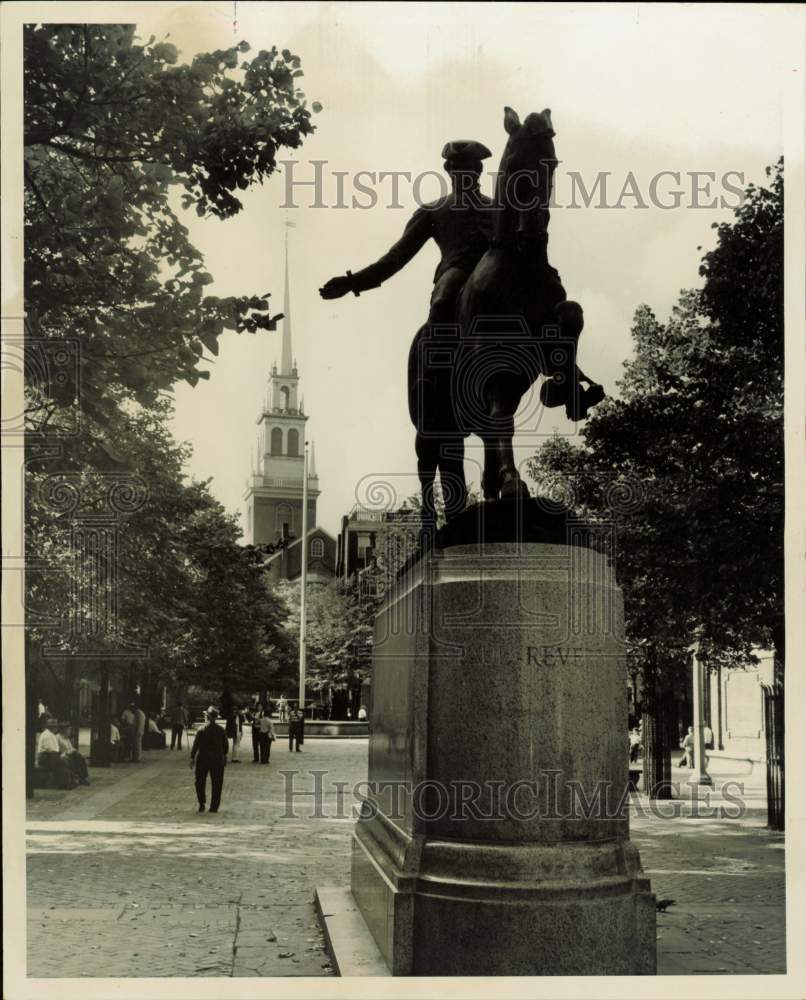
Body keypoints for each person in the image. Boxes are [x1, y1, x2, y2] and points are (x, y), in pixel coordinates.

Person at [320, 140, 495, 327]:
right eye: (454, 168)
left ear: (478, 170)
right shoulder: (432, 210)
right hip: (457, 272)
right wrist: (353, 282)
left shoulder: (498, 208)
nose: (458, 173)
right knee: (441, 302)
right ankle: (435, 353)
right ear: (449, 171)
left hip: (496, 271)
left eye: (465, 167)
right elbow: (396, 257)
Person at [190, 708, 229, 813]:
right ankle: (214, 806)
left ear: (207, 717)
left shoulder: (201, 729)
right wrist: (224, 755)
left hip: (203, 759)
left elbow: (195, 745)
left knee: (200, 782)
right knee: (217, 783)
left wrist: (192, 757)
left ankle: (202, 803)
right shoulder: (221, 730)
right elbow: (226, 745)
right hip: (217, 760)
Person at [36, 716, 73, 786]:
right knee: (63, 762)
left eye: (55, 726)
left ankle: (68, 780)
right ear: (50, 727)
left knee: (66, 759)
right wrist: (60, 755)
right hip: (46, 757)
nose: (56, 728)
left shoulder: (51, 734)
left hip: (50, 756)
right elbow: (50, 750)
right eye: (54, 726)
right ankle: (63, 783)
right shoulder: (47, 735)